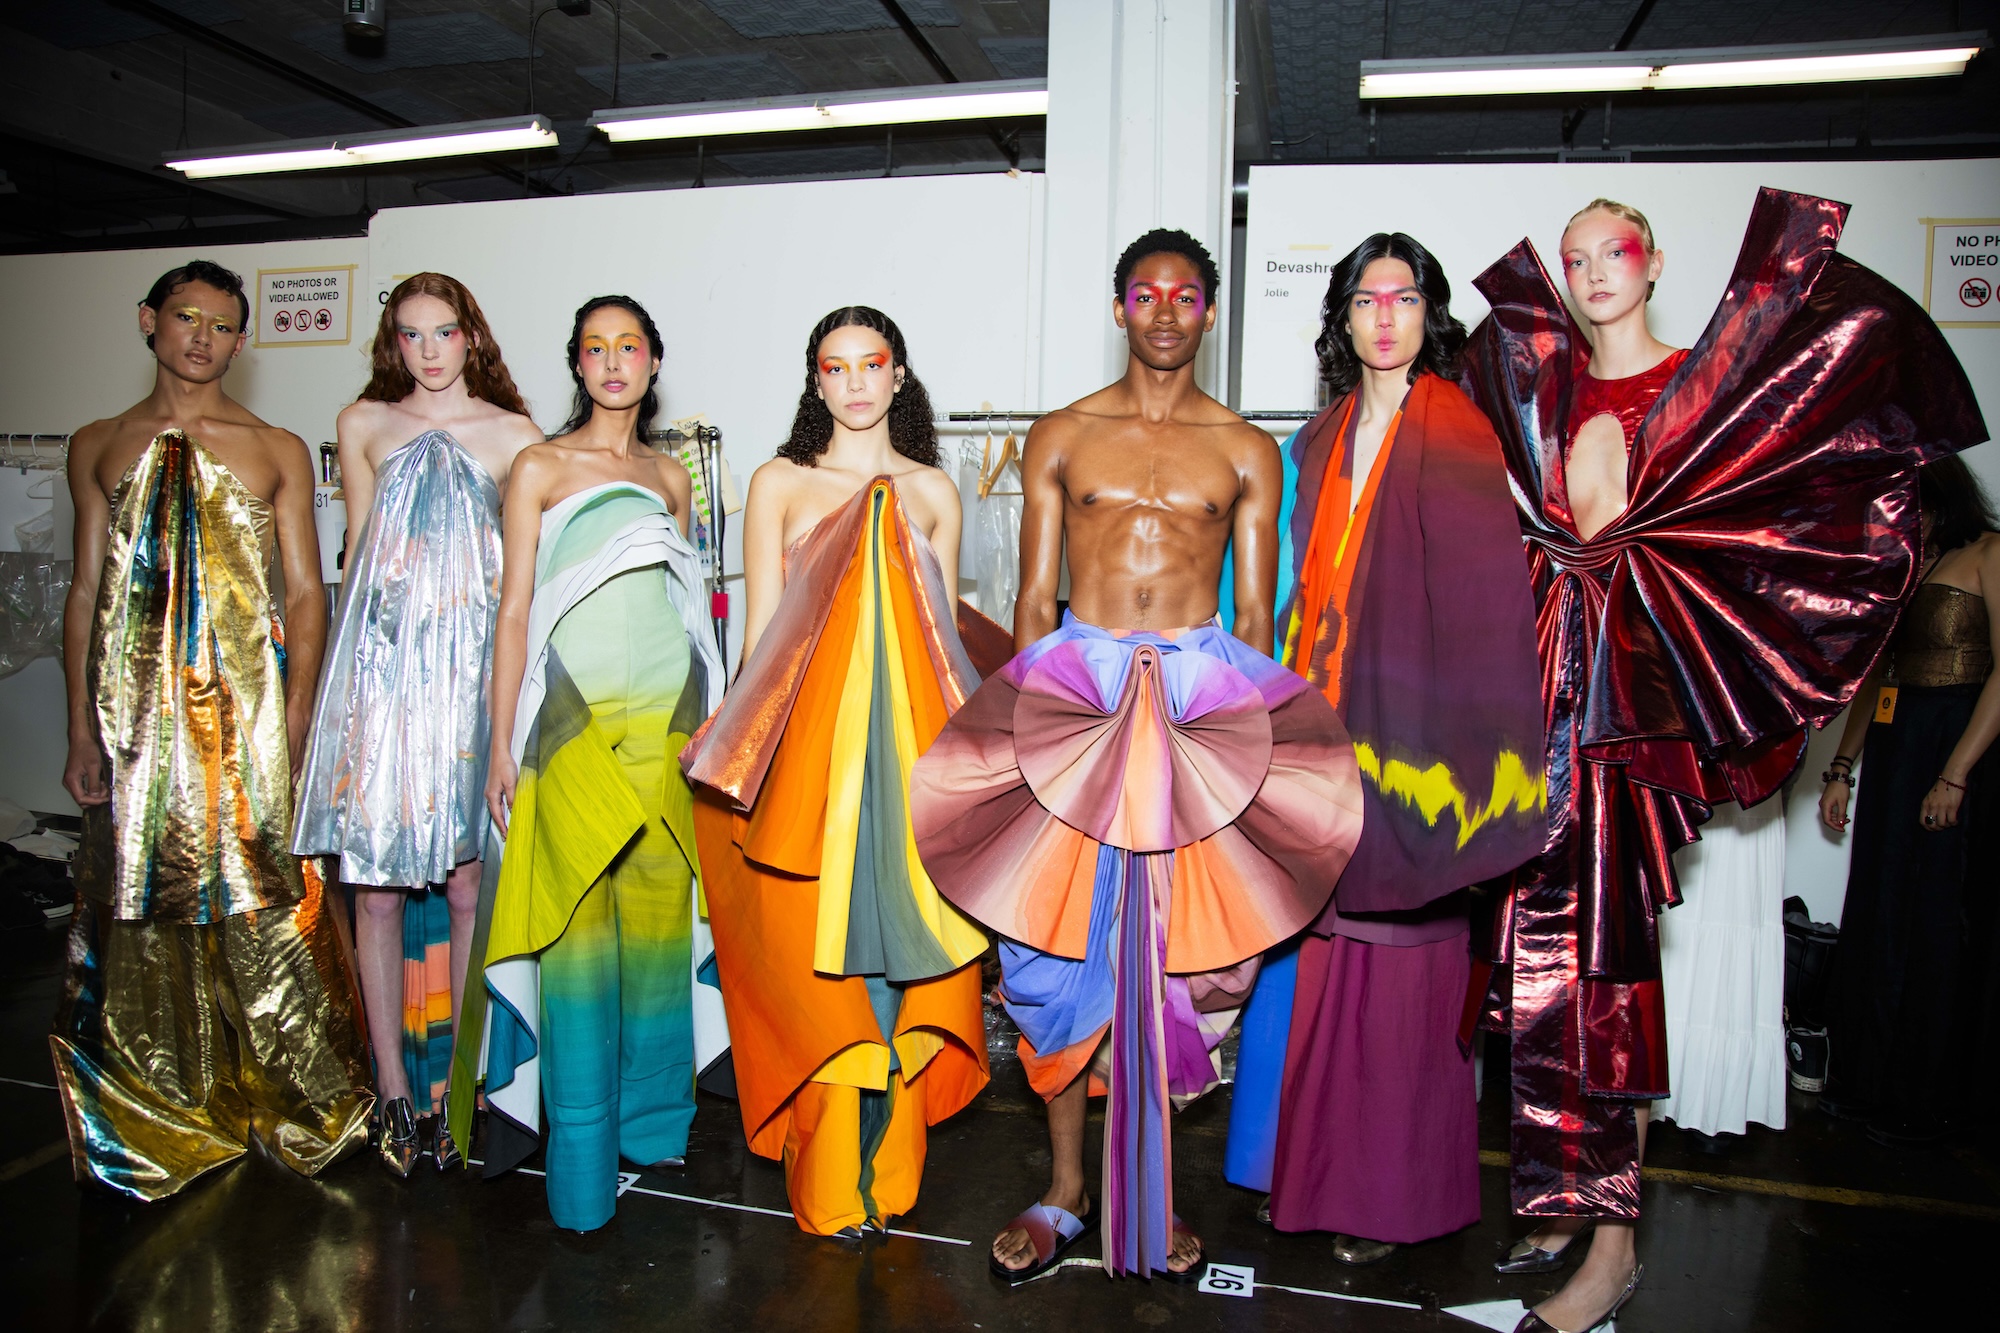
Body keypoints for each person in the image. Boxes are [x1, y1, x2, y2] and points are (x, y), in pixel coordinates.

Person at [1462, 190, 1985, 1333]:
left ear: (1651, 263)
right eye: (1575, 257)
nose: (1595, 271)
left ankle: (1611, 1249)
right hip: (1535, 714)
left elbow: (1778, 532)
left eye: (1616, 251)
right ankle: (1563, 1196)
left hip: (1633, 725)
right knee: (1538, 971)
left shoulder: (1706, 389)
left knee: (1608, 974)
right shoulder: (1533, 397)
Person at [911, 228, 1363, 1282]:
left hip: (1200, 714)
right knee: (1051, 954)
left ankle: (1148, 1189)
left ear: (1208, 311)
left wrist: (1254, 774)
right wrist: (1020, 753)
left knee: (1182, 960)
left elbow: (1255, 613)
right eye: (1145, 293)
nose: (1164, 310)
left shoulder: (1247, 449)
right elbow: (1029, 599)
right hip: (1073, 700)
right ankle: (1067, 1189)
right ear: (1119, 307)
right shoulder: (1060, 432)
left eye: (1186, 295)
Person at [1221, 234, 1545, 1264]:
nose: (1384, 316)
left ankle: (1390, 1200)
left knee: (1400, 975)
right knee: (1325, 972)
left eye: (1403, 298)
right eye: (1365, 299)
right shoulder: (1315, 437)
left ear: (1427, 314)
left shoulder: (1452, 425)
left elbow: (1485, 608)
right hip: (1319, 732)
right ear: (1343, 317)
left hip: (1417, 749)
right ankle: (1317, 1175)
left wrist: (1454, 767)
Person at [51, 259, 372, 1200]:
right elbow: (83, 593)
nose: (202, 336)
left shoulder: (274, 444)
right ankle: (165, 1112)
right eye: (186, 317)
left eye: (222, 325)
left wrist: (303, 717)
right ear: (149, 321)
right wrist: (79, 726)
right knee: (137, 910)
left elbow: (308, 595)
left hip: (250, 713)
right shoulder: (96, 445)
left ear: (241, 341)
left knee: (279, 902)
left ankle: (311, 1099)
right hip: (136, 716)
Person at [682, 307, 990, 1238]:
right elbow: (761, 643)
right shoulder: (777, 481)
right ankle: (827, 1182)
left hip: (913, 757)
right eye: (835, 366)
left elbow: (942, 647)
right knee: (821, 976)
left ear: (900, 376)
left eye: (873, 363)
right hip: (810, 760)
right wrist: (733, 752)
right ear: (816, 382)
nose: (855, 381)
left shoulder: (937, 489)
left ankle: (889, 1178)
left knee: (908, 965)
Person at [454, 295, 725, 1232]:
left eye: (631, 346)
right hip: (567, 721)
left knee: (657, 925)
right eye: (596, 348)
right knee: (573, 929)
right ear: (577, 363)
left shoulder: (670, 474)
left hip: (668, 725)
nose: (614, 363)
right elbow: (517, 609)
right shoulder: (539, 465)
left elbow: (691, 604)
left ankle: (653, 1131)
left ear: (654, 361)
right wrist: (500, 738)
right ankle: (577, 1164)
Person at [293, 273, 542, 1177]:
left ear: (472, 337)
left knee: (474, 884)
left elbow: (522, 584)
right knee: (378, 889)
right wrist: (342, 703)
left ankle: (465, 1082)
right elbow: (357, 562)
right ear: (393, 344)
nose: (429, 350)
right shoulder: (361, 425)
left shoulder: (518, 438)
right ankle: (393, 1090)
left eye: (444, 332)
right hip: (385, 679)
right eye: (411, 335)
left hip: (474, 677)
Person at [1819, 456, 1999, 1147]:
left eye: (1911, 507)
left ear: (1940, 498)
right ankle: (1864, 1082)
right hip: (1896, 747)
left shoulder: (1987, 553)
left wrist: (1954, 774)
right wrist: (1842, 766)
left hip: (1954, 742)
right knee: (1879, 908)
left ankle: (1922, 1096)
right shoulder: (1905, 568)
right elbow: (1876, 678)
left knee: (1935, 915)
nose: (1902, 520)